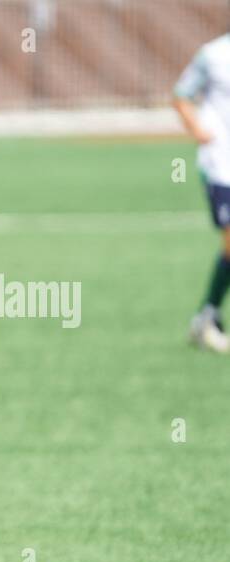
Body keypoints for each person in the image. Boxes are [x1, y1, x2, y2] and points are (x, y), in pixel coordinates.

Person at [175, 16, 230, 353]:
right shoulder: (213, 55)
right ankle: (207, 316)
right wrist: (196, 129)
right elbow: (181, 95)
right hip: (222, 164)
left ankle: (205, 317)